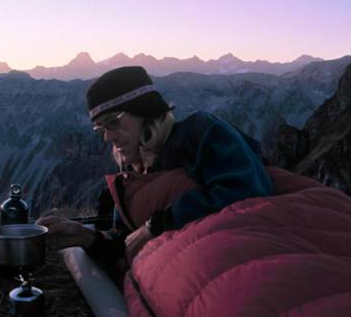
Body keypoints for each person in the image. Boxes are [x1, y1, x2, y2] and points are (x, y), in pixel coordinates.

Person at [37, 66, 272, 268]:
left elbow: (247, 191)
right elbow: (127, 244)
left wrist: (157, 224)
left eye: (113, 123)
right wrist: (85, 235)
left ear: (144, 111)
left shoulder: (201, 132)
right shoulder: (131, 174)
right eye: (100, 130)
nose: (107, 137)